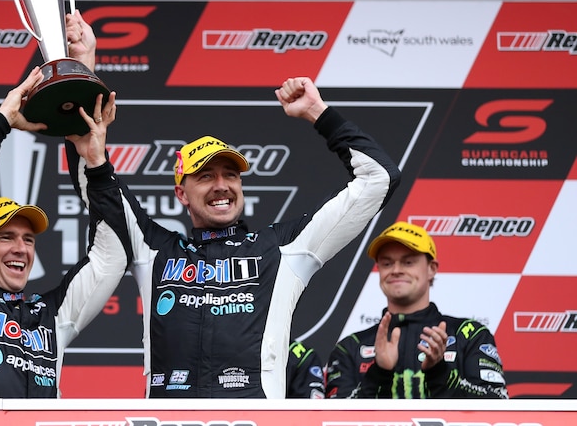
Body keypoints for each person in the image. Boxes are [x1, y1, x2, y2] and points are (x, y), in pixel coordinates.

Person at [66, 70, 401, 397]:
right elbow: (98, 183)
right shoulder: (154, 250)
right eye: (205, 176)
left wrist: (318, 113)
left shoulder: (283, 248)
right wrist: (82, 80)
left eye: (231, 174)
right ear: (181, 193)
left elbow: (379, 179)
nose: (222, 186)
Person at [0, 10, 129, 398]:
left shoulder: (52, 316)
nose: (21, 248)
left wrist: (94, 162)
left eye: (28, 239)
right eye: (5, 236)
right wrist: (0, 124)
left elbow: (111, 257)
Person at [325, 221, 508, 399]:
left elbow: (497, 405)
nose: (396, 270)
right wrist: (379, 373)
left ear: (431, 269)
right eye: (387, 263)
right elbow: (332, 419)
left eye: (408, 262)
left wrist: (439, 372)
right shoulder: (350, 347)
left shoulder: (469, 335)